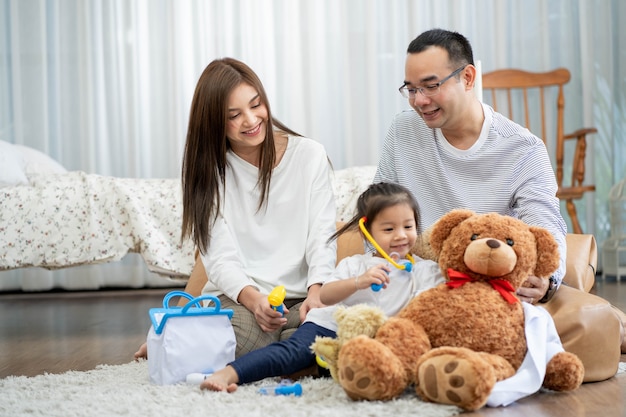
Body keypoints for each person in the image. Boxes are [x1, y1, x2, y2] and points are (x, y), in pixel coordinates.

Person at [374, 28, 625, 378]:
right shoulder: (402, 131)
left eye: (430, 86)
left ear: (467, 77)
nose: (419, 100)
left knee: (589, 327)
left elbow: (545, 221)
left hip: (491, 283)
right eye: (411, 89)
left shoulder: (523, 148)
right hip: (419, 275)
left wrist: (546, 278)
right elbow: (378, 204)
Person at [134, 57, 337, 360]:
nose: (251, 120)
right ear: (214, 123)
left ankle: (194, 340)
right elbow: (219, 258)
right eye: (234, 115)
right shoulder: (209, 172)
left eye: (256, 105)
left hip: (303, 294)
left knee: (330, 326)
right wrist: (255, 301)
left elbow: (322, 234)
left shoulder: (309, 154)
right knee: (258, 342)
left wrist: (316, 293)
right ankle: (180, 336)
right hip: (239, 298)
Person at [199, 182, 444, 392]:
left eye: (408, 226)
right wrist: (358, 281)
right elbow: (325, 296)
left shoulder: (424, 270)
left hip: (381, 338)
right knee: (292, 353)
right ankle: (228, 374)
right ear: (367, 231)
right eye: (389, 229)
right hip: (331, 324)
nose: (401, 235)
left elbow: (434, 303)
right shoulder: (356, 265)